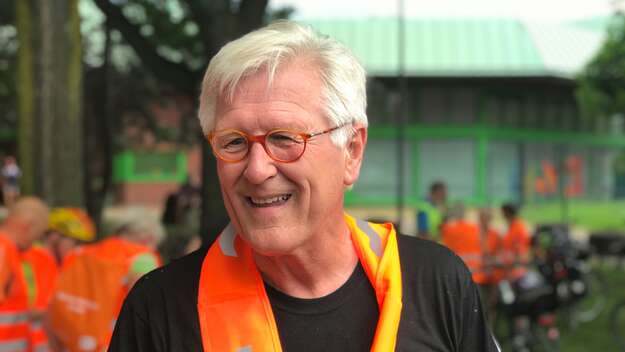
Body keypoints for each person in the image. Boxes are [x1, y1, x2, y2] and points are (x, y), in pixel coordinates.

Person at [110, 20, 499, 351]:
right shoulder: (160, 309)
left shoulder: (435, 284)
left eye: (284, 138)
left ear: (352, 150)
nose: (257, 169)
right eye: (234, 142)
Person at [47, 210, 164, 352]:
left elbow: (54, 304)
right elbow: (148, 308)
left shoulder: (83, 253)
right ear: (149, 238)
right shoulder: (142, 258)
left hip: (73, 342)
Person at [0, 197, 49, 352]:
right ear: (28, 227)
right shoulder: (3, 251)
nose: (36, 242)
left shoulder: (11, 252)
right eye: (39, 234)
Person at [498, 203, 532, 281]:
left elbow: (521, 252)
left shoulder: (518, 228)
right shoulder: (512, 227)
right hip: (511, 269)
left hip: (517, 270)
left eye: (503, 213)